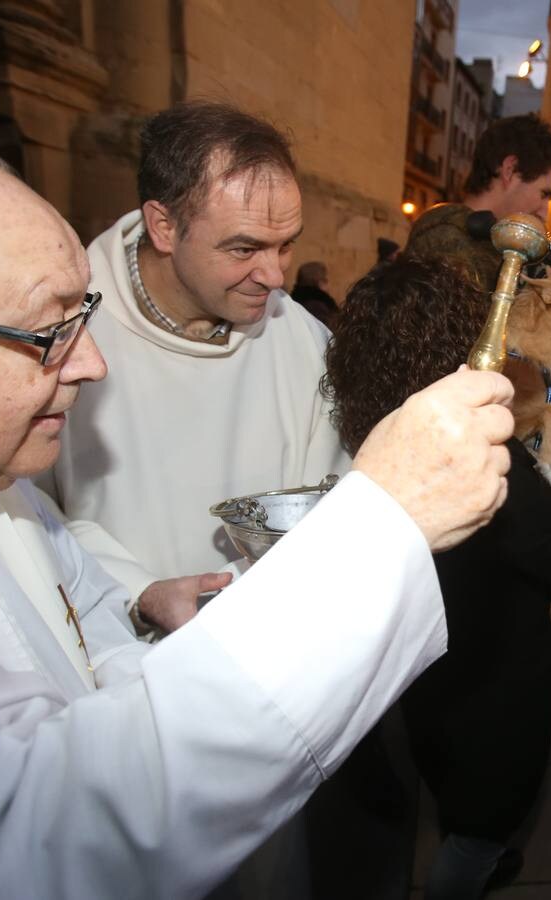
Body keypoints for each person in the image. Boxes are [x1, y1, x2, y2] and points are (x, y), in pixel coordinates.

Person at [0, 109, 515, 898]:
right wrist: (386, 518)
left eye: (286, 246)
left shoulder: (291, 340)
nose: (92, 363)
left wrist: (156, 620)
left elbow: (66, 615)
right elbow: (28, 830)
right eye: (46, 334)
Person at [322, 257, 551, 900]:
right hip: (492, 681)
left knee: (450, 792)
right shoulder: (479, 450)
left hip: (424, 670)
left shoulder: (378, 427)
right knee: (485, 825)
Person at [39, 102, 349, 634]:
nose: (275, 276)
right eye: (245, 248)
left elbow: (336, 500)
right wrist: (137, 593)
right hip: (109, 650)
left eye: (286, 244)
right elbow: (22, 515)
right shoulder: (63, 338)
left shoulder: (303, 339)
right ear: (164, 225)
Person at [404, 113, 551, 289]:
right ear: (510, 170)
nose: (545, 211)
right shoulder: (445, 236)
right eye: (544, 194)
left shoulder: (487, 244)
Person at [290, 260, 339, 329]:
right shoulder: (317, 307)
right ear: (320, 282)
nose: (329, 285)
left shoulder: (293, 302)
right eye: (326, 280)